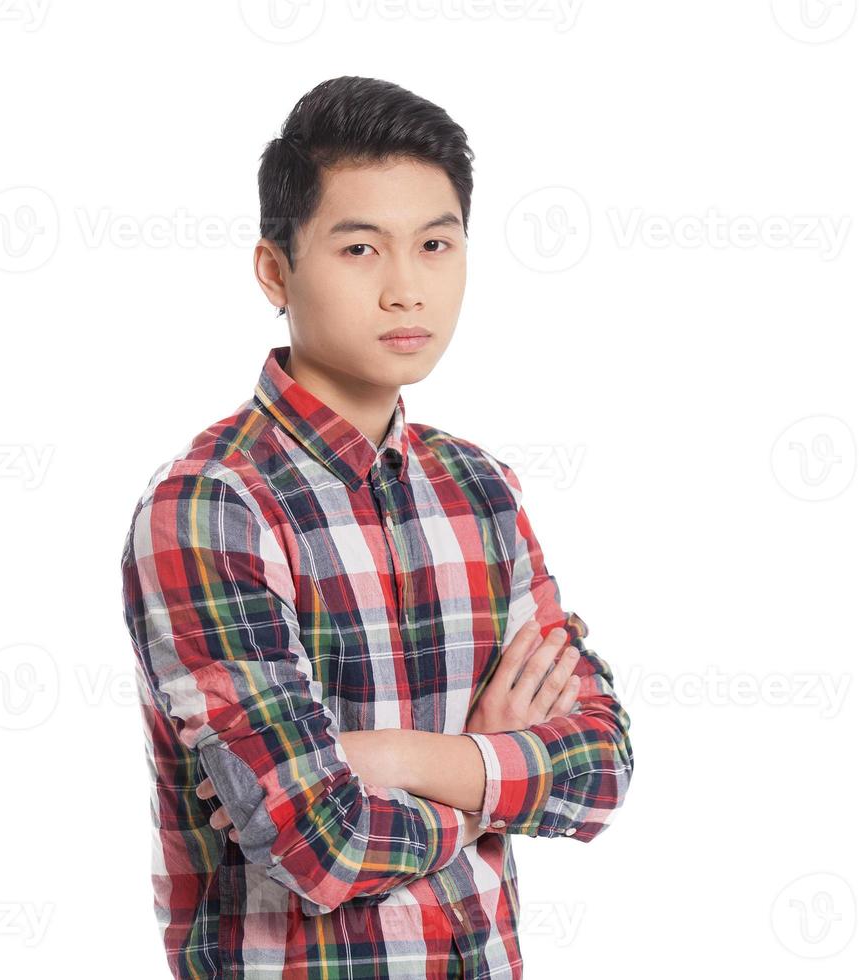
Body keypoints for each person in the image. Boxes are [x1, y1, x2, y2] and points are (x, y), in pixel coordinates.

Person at [118, 75, 634, 980]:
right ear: (275, 269)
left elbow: (601, 764)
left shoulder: (482, 489)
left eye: (436, 244)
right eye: (361, 249)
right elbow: (318, 840)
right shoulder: (211, 507)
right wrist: (488, 779)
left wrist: (392, 756)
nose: (407, 288)